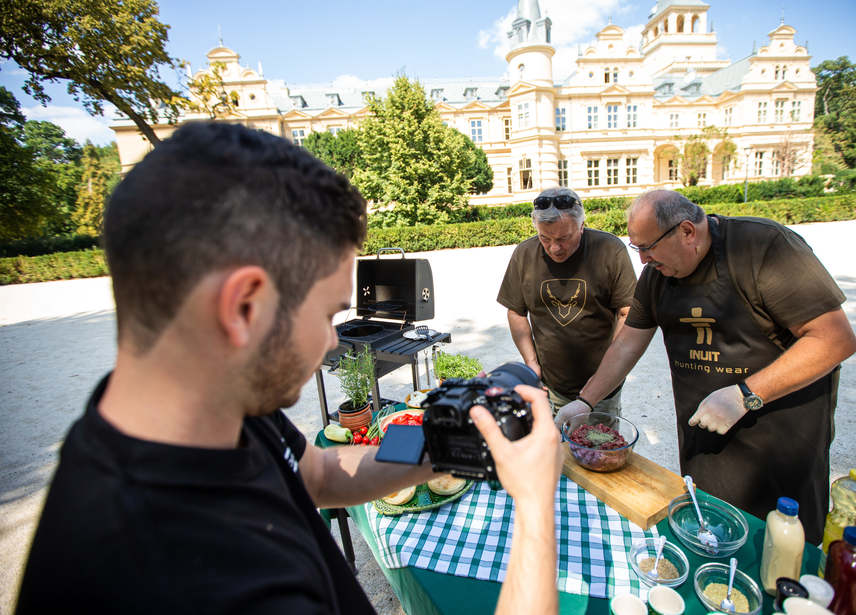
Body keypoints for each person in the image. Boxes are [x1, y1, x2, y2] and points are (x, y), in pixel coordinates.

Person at [15, 122, 563, 614]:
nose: (331, 337)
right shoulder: (190, 580)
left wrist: (446, 447)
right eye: (328, 313)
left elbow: (320, 473)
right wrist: (536, 506)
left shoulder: (209, 408)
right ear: (243, 308)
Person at [557, 190, 856, 543]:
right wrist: (585, 401)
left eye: (647, 248)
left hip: (781, 444)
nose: (642, 260)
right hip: (705, 435)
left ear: (687, 231)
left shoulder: (764, 248)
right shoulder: (658, 273)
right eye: (636, 248)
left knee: (781, 549)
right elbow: (627, 343)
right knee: (710, 533)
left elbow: (835, 339)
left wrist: (746, 395)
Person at [497, 187, 637, 418]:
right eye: (545, 238)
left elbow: (627, 312)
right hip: (550, 385)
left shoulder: (610, 250)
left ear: (582, 226)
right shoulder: (524, 254)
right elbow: (516, 312)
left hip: (602, 387)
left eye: (564, 238)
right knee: (554, 451)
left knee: (599, 452)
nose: (554, 248)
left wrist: (607, 374)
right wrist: (531, 363)